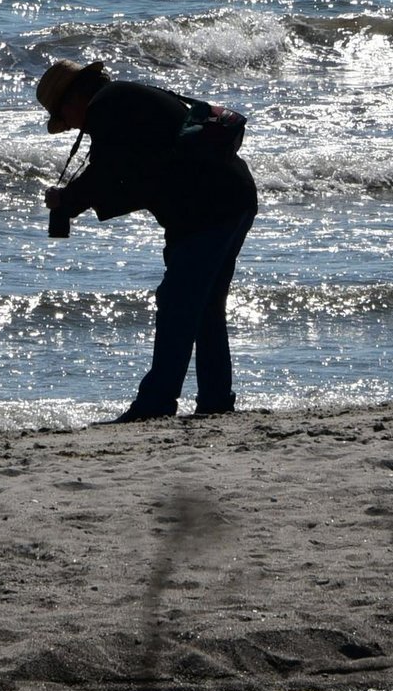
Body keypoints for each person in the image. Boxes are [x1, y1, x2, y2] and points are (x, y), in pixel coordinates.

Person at [36, 59, 257, 423]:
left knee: (177, 303)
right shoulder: (124, 98)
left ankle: (157, 402)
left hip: (209, 208)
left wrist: (68, 201)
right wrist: (75, 199)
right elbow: (135, 174)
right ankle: (215, 400)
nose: (73, 126)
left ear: (71, 100)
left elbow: (109, 172)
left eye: (65, 117)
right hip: (231, 197)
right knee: (205, 308)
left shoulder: (108, 107)